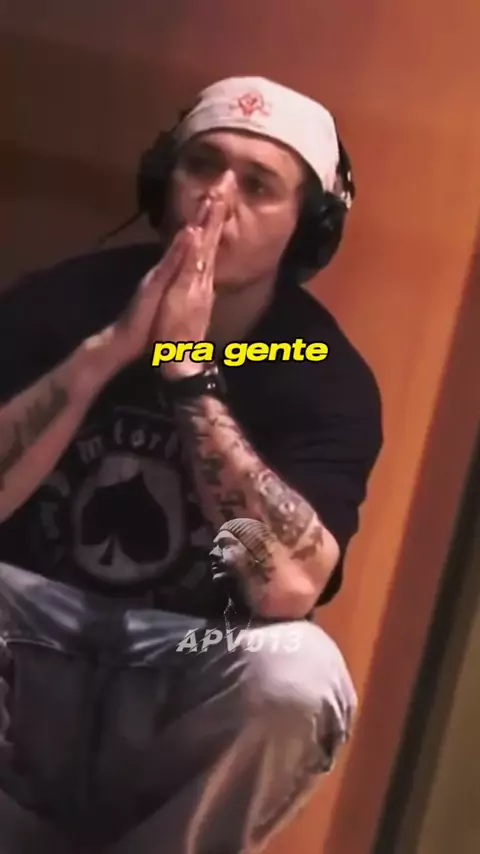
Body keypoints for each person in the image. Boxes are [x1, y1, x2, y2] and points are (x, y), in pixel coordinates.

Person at [0, 76, 383, 853]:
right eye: (202, 165)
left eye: (257, 185)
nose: (216, 198)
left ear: (306, 227)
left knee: (302, 674)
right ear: (162, 180)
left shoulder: (321, 372)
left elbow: (286, 586)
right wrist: (106, 354)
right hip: (31, 640)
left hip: (184, 661)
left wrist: (187, 370)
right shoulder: (58, 302)